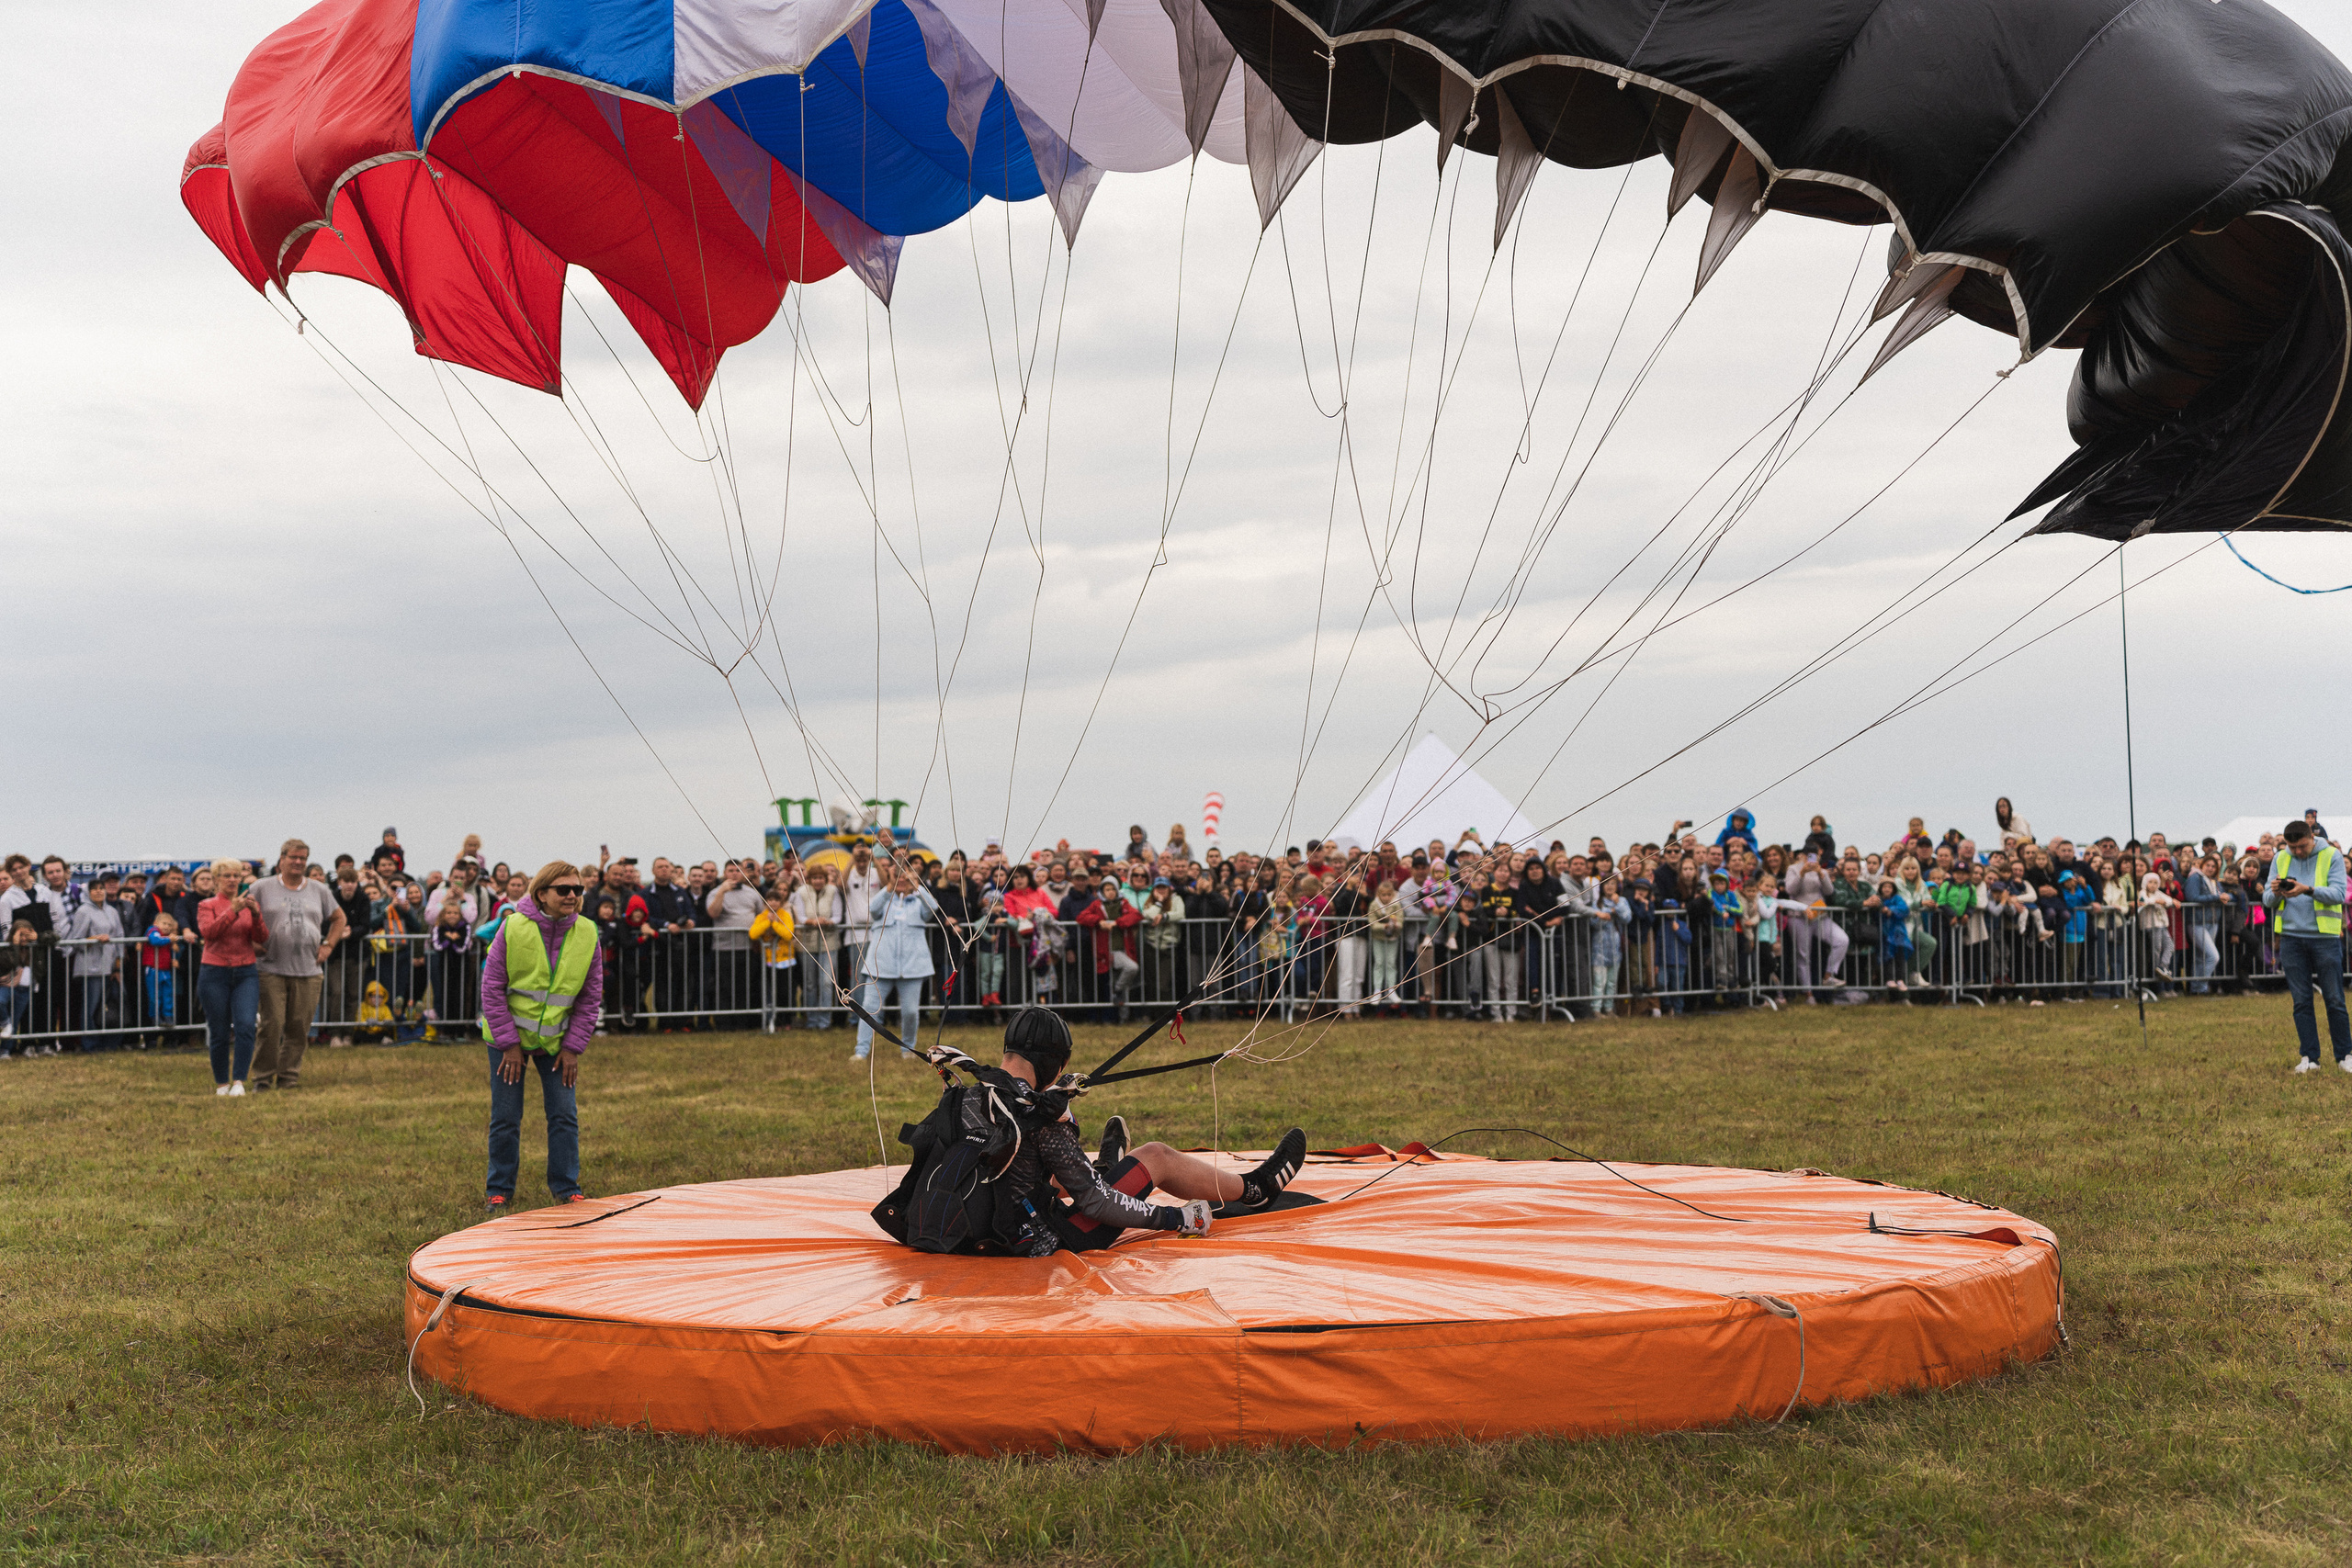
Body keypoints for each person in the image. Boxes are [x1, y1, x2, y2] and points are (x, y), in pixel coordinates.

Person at [885, 1008, 1306, 1255]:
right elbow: (1096, 1202)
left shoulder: (969, 1094)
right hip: (1032, 1242)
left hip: (962, 1233)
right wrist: (1173, 1217)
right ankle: (1256, 1188)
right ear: (1057, 1066)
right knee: (1156, 1154)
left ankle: (1105, 1163)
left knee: (1026, 1165)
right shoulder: (1039, 1115)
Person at [479, 863, 603, 1213]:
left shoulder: (588, 932)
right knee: (506, 1116)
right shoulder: (512, 927)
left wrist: (573, 1047)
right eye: (563, 889)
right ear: (541, 893)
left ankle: (567, 1187)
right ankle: (499, 1190)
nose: (572, 896)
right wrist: (510, 1045)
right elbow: (491, 988)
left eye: (577, 890)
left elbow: (590, 996)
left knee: (564, 1115)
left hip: (558, 1044)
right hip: (507, 1042)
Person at [250, 840, 346, 1091]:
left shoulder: (318, 890)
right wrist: (251, 942)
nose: (298, 862)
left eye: (303, 858)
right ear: (281, 858)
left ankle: (288, 1078)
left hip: (309, 970)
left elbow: (339, 918)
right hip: (271, 967)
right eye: (293, 857)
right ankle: (262, 1078)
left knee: (299, 1027)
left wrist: (328, 945)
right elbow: (242, 915)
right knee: (271, 1025)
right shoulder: (260, 888)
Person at [2269, 820, 2349, 1074]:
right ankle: (2309, 1058)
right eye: (2293, 847)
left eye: (2302, 846)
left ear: (2311, 837)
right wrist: (2274, 892)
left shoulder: (2331, 855)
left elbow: (2339, 894)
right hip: (2291, 938)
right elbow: (2267, 900)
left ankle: (2345, 1055)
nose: (2298, 852)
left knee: (2334, 998)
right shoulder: (2281, 857)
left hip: (2324, 937)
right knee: (2301, 1000)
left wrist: (2308, 889)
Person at [855, 856, 945, 1063]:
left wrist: (918, 887)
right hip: (880, 965)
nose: (901, 880)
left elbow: (934, 909)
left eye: (906, 876)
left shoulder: (918, 903)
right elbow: (873, 909)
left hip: (913, 966)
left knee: (911, 1013)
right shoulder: (883, 898)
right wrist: (889, 886)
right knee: (869, 1009)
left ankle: (908, 1049)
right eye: (898, 876)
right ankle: (861, 1050)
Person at [198, 859, 267, 1095]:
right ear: (216, 880)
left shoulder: (249, 903)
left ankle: (239, 1080)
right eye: (226, 876)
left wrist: (256, 915)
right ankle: (221, 1083)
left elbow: (262, 937)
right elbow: (209, 933)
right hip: (214, 971)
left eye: (236, 876)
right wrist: (232, 911)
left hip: (245, 971)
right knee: (218, 1031)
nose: (232, 880)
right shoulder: (207, 905)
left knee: (246, 1025)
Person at [62, 872, 126, 1050]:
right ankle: (90, 1043)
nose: (98, 892)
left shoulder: (112, 911)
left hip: (110, 965)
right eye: (94, 889)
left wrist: (118, 964)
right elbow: (76, 940)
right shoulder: (83, 911)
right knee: (91, 1006)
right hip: (91, 967)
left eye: (101, 888)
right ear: (88, 892)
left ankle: (111, 1042)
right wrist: (93, 939)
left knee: (114, 1003)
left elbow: (119, 935)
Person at [790, 864, 844, 1029]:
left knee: (827, 982)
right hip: (807, 944)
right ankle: (811, 1019)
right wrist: (812, 922)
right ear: (809, 879)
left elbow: (838, 915)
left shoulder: (833, 891)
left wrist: (827, 922)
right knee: (809, 983)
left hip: (829, 943)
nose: (818, 881)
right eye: (815, 878)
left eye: (821, 878)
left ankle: (825, 1020)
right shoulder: (801, 892)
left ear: (825, 879)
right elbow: (799, 915)